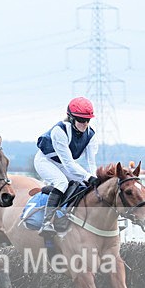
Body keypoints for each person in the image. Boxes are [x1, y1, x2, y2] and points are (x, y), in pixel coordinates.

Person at [34, 96, 100, 236]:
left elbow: (91, 162)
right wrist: (88, 176)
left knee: (84, 184)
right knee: (62, 182)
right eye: (81, 120)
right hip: (45, 161)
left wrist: (93, 178)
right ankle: (47, 222)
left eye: (88, 120)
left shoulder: (91, 135)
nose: (85, 124)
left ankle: (71, 216)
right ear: (70, 117)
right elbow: (69, 164)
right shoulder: (60, 131)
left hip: (63, 163)